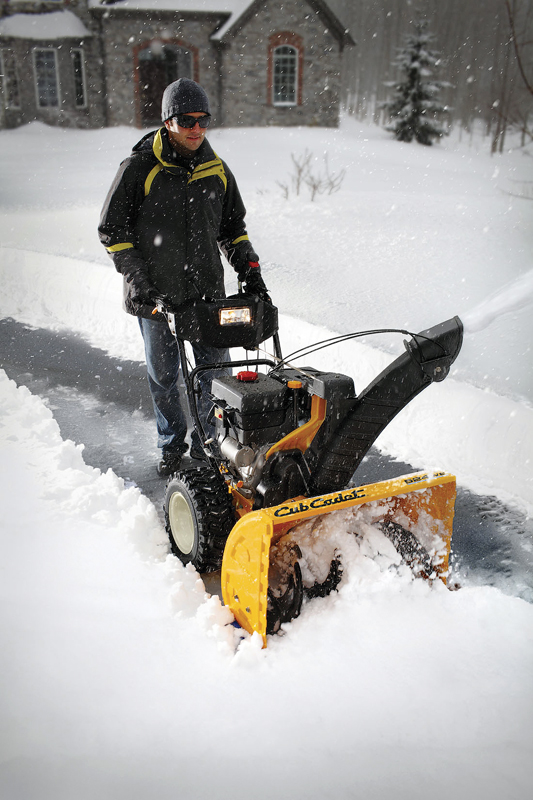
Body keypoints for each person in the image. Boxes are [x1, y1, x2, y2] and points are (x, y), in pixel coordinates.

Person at [99, 78, 267, 476]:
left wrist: (251, 270)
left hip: (208, 294)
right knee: (165, 376)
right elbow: (113, 231)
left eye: (203, 120)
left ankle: (208, 447)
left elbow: (233, 230)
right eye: (186, 120)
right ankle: (171, 444)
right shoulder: (139, 168)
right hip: (156, 298)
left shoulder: (216, 170)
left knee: (216, 377)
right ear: (167, 122)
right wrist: (138, 279)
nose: (196, 128)